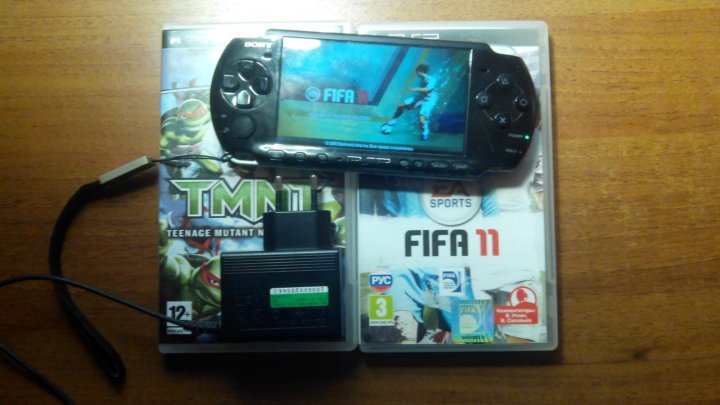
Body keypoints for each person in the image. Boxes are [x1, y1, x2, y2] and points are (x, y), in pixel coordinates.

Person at [382, 64, 438, 141]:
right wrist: (415, 104)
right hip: (421, 98)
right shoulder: (422, 79)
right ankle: (392, 121)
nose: (416, 73)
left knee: (421, 121)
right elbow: (423, 92)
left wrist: (414, 89)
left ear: (420, 71)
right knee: (401, 105)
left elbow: (427, 89)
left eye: (417, 72)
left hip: (429, 101)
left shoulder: (432, 79)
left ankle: (425, 131)